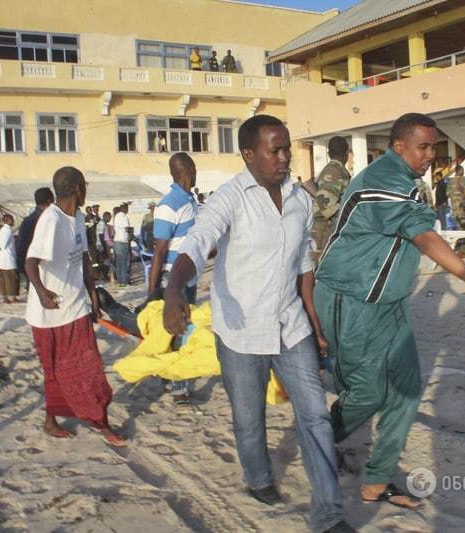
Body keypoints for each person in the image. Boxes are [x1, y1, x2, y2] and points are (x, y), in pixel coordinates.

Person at [314, 113, 465, 510]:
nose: (430, 155)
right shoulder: (382, 180)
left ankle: (375, 482)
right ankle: (317, 439)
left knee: (405, 389)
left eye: (433, 148)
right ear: (398, 145)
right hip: (351, 299)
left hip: (389, 302)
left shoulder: (409, 182)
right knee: (367, 393)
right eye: (423, 147)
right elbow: (424, 237)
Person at [163, 115, 351, 533]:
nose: (284, 157)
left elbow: (303, 267)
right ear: (249, 154)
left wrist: (316, 326)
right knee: (249, 419)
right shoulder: (230, 198)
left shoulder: (301, 200)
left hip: (290, 326)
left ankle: (329, 514)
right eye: (275, 150)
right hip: (240, 330)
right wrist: (174, 290)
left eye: (286, 148)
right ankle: (258, 477)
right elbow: (198, 240)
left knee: (316, 415)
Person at [25, 166, 127, 448]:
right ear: (79, 188)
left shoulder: (78, 217)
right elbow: (30, 262)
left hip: (75, 307)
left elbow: (82, 258)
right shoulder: (51, 220)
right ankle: (50, 420)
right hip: (47, 314)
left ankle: (101, 423)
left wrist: (92, 292)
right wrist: (43, 292)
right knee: (54, 373)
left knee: (89, 369)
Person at [149, 153, 199, 407]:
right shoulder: (169, 205)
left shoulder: (190, 200)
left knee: (178, 331)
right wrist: (151, 292)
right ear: (189, 169)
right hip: (172, 278)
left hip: (189, 278)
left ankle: (169, 377)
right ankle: (178, 386)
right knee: (181, 330)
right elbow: (159, 251)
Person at [311, 136, 351, 264]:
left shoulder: (330, 170)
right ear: (347, 153)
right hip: (325, 230)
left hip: (323, 229)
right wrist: (348, 211)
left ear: (329, 153)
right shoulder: (336, 171)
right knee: (321, 268)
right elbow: (325, 205)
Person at [17, 187, 55, 289]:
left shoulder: (27, 221)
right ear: (49, 200)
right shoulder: (50, 220)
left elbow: (21, 248)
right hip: (46, 271)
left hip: (33, 271)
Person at [0, 214, 20, 304]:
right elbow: (3, 244)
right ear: (8, 220)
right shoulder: (7, 231)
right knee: (12, 279)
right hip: (8, 258)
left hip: (3, 258)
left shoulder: (2, 230)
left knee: (4, 280)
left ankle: (5, 297)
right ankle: (12, 297)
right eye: (12, 219)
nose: (13, 221)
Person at [113, 203, 132, 287]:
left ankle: (120, 281)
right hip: (122, 241)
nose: (128, 210)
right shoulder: (124, 216)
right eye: (127, 208)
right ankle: (124, 282)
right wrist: (132, 233)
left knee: (119, 262)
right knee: (124, 262)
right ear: (124, 208)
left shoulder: (116, 216)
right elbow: (127, 228)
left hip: (116, 241)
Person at [447, 165, 465, 229]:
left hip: (454, 206)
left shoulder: (450, 181)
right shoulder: (464, 180)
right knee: (464, 223)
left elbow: (447, 193)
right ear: (459, 171)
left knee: (457, 223)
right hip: (463, 205)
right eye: (462, 170)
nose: (463, 172)